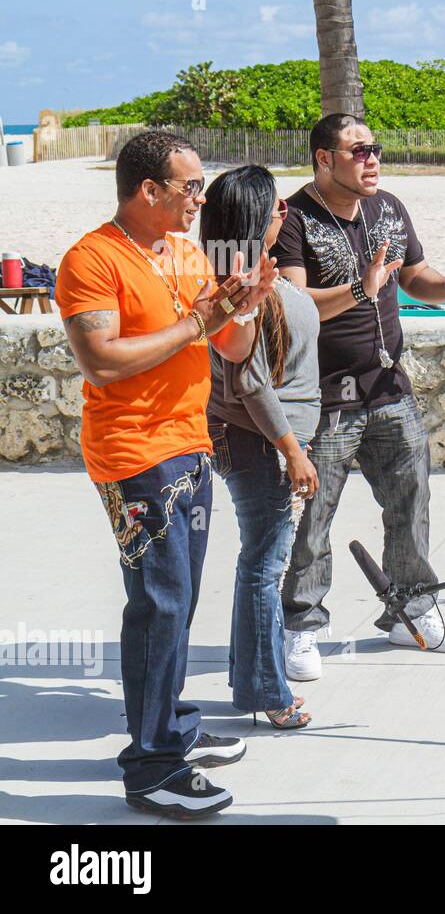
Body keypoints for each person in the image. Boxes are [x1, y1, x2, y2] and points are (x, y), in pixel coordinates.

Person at [56, 130, 278, 818]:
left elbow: (232, 343)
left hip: (190, 447)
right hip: (133, 458)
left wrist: (245, 302)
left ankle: (170, 729)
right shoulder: (91, 260)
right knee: (160, 605)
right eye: (190, 187)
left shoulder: (184, 252)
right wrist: (195, 323)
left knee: (178, 603)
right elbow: (102, 360)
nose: (200, 199)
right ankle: (151, 767)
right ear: (148, 190)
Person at [273, 113, 445, 680]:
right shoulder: (292, 218)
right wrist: (360, 289)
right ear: (323, 159)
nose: (372, 159)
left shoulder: (389, 208)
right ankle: (301, 626)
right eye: (358, 151)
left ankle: (411, 612)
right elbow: (294, 306)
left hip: (388, 388)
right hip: (324, 396)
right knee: (314, 517)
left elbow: (416, 277)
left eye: (375, 149)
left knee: (410, 504)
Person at [203, 166, 321, 729]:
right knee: (264, 564)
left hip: (269, 438)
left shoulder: (257, 274)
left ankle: (252, 679)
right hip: (258, 440)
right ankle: (267, 693)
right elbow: (247, 382)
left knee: (262, 560)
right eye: (276, 207)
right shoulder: (239, 285)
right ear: (251, 217)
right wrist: (291, 450)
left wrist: (366, 288)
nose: (287, 212)